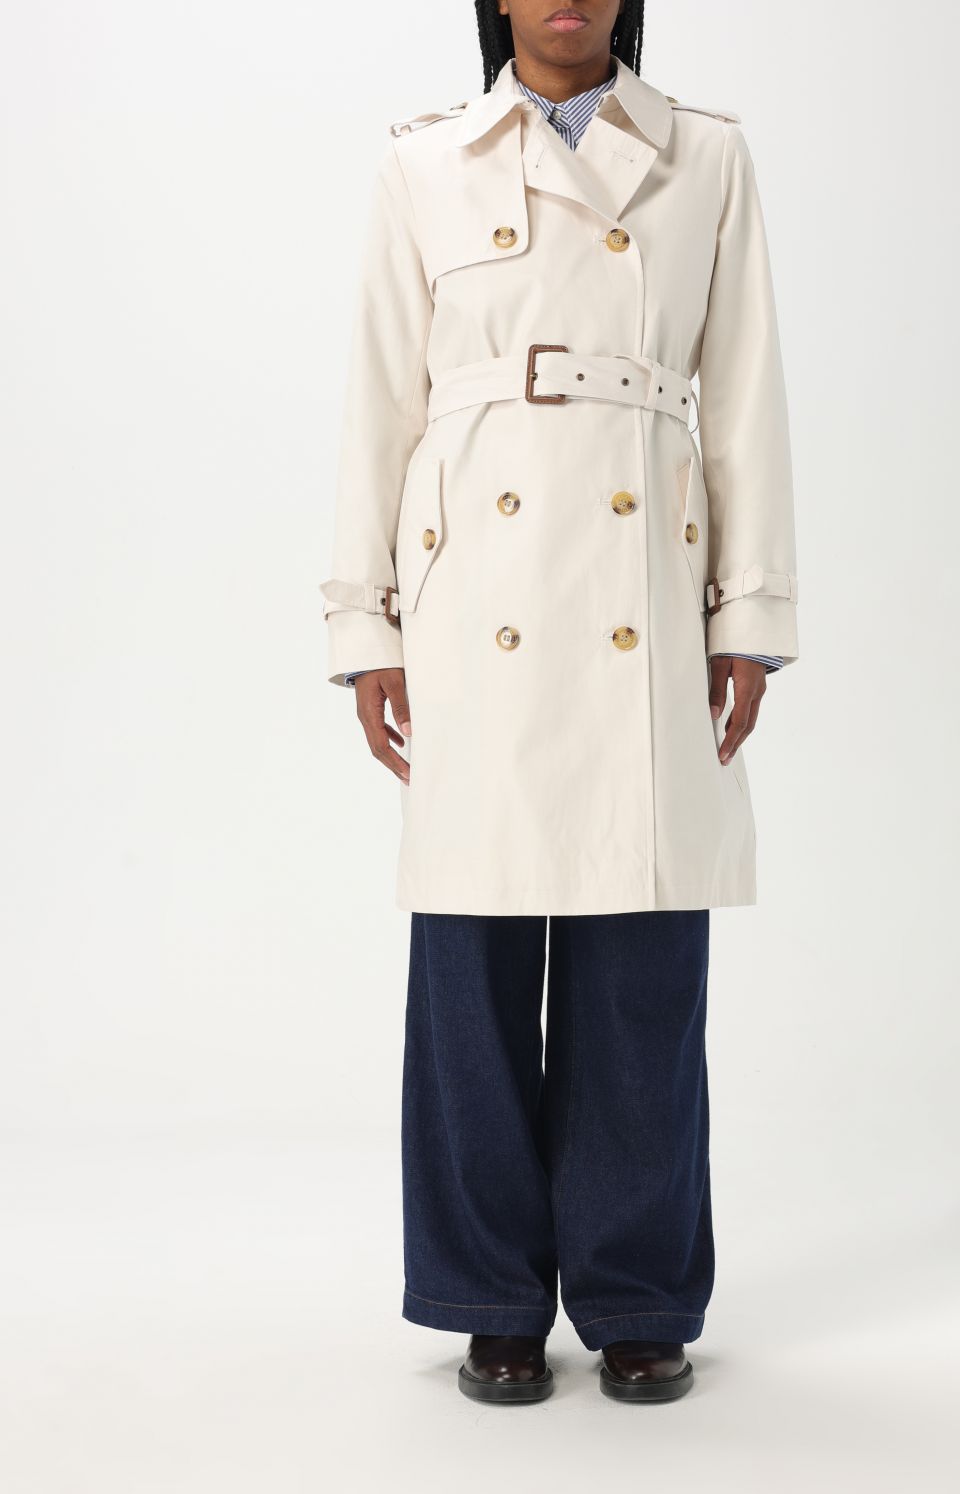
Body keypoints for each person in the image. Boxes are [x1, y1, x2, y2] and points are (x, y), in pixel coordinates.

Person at [320, 0, 798, 1404]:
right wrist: (364, 622)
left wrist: (750, 615)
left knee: (640, 956)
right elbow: (377, 399)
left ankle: (638, 1292)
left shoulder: (705, 155)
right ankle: (489, 1295)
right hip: (472, 594)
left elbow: (745, 395)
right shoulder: (423, 161)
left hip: (643, 586)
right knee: (470, 964)